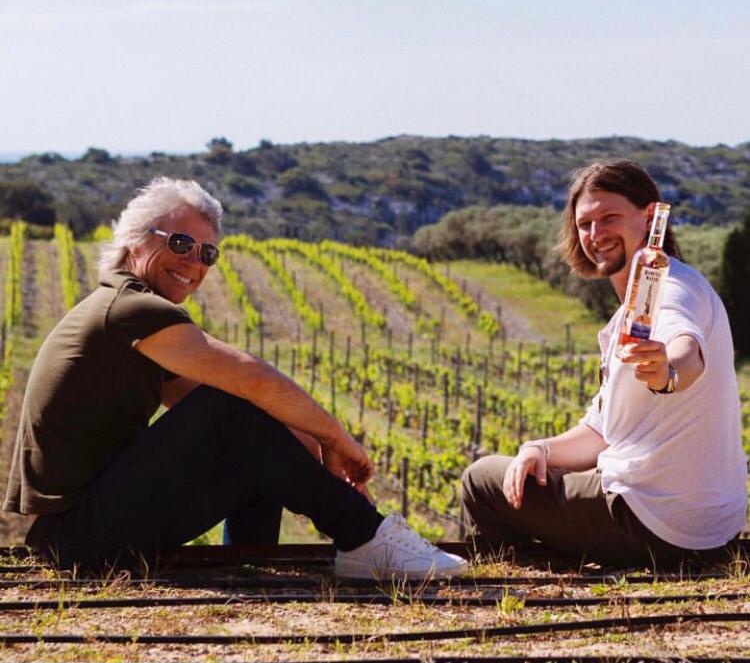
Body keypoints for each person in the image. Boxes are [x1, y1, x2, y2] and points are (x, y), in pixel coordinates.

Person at [4, 177, 466, 580]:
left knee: (246, 421)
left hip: (84, 531)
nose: (194, 263)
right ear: (136, 242)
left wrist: (315, 454)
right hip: (78, 538)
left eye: (207, 253)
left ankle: (253, 559)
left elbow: (252, 420)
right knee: (233, 406)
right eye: (180, 243)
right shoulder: (131, 308)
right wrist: (336, 439)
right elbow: (250, 381)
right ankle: (365, 537)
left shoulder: (123, 312)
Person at [462, 159, 747, 568]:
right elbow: (600, 434)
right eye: (585, 224)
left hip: (652, 520)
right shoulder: (640, 307)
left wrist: (667, 372)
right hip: (708, 528)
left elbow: (685, 347)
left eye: (610, 218)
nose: (596, 234)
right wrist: (539, 448)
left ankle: (515, 580)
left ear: (650, 218)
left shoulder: (670, 287)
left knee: (480, 480)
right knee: (526, 470)